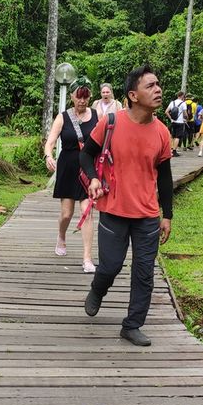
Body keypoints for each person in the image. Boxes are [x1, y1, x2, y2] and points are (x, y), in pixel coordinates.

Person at [81, 64, 173, 347]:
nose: (157, 90)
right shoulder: (111, 123)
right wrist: (94, 179)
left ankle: (132, 325)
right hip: (114, 210)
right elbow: (86, 156)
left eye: (158, 84)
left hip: (146, 214)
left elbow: (166, 178)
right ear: (133, 95)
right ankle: (98, 289)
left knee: (144, 272)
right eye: (150, 86)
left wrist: (167, 215)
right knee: (110, 266)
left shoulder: (162, 132)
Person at [45, 84, 98, 273]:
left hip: (88, 169)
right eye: (78, 96)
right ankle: (61, 235)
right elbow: (50, 141)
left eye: (85, 97)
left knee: (87, 211)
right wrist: (48, 155)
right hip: (68, 167)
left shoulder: (96, 116)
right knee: (67, 213)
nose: (82, 100)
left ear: (90, 97)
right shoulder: (63, 117)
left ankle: (87, 258)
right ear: (73, 97)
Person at [165, 91, 187, 157]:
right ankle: (174, 151)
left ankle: (171, 149)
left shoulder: (172, 102)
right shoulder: (183, 103)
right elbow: (185, 113)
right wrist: (186, 118)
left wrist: (171, 119)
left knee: (172, 136)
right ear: (182, 96)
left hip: (173, 122)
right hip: (180, 122)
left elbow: (166, 112)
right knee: (178, 137)